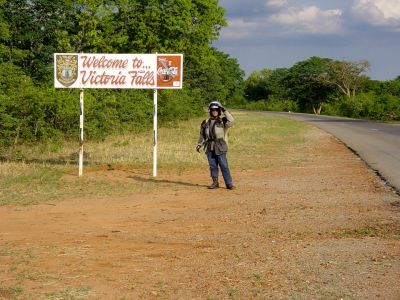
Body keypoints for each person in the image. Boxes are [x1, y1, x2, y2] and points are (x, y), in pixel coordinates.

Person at [196, 101, 235, 190]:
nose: (214, 111)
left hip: (220, 145)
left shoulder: (223, 121)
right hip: (209, 146)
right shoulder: (205, 122)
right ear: (210, 111)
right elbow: (202, 134)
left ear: (219, 111)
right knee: (213, 165)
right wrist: (199, 144)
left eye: (216, 110)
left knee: (224, 165)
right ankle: (215, 182)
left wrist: (224, 109)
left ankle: (229, 184)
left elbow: (232, 121)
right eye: (213, 110)